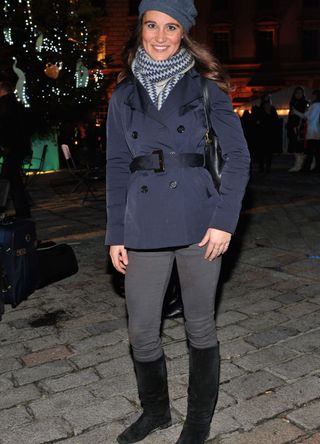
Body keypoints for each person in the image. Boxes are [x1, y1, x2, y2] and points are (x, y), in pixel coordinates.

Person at [106, 1, 250, 443]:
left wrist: (224, 222)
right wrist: (116, 233)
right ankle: (156, 413)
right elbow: (115, 163)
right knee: (142, 332)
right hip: (143, 225)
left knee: (199, 326)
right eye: (153, 25)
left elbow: (239, 157)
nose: (161, 35)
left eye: (171, 27)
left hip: (199, 221)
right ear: (141, 28)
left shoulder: (206, 89)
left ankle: (198, 421)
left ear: (184, 32)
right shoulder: (123, 95)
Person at [0, 80, 32, 218]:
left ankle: (21, 210)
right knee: (13, 179)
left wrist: (3, 144)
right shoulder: (17, 105)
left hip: (12, 147)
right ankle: (22, 209)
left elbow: (4, 127)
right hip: (19, 147)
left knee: (10, 180)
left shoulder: (4, 105)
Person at [293, 89, 320, 173]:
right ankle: (316, 168)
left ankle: (307, 168)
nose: (311, 97)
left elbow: (308, 117)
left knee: (310, 151)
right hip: (317, 131)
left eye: (313, 95)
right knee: (316, 152)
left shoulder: (314, 106)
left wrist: (295, 112)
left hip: (312, 131)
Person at [252, 94, 281, 173]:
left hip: (269, 133)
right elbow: (257, 120)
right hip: (262, 133)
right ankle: (262, 167)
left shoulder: (272, 110)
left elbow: (275, 121)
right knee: (262, 151)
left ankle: (267, 167)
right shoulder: (260, 110)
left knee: (268, 152)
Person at [287, 86, 309, 172]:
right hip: (292, 127)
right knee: (294, 146)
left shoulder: (304, 103)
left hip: (300, 128)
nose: (298, 94)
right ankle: (298, 164)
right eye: (297, 93)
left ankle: (300, 164)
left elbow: (305, 116)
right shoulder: (293, 102)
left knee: (299, 146)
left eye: (300, 93)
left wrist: (298, 125)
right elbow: (291, 116)